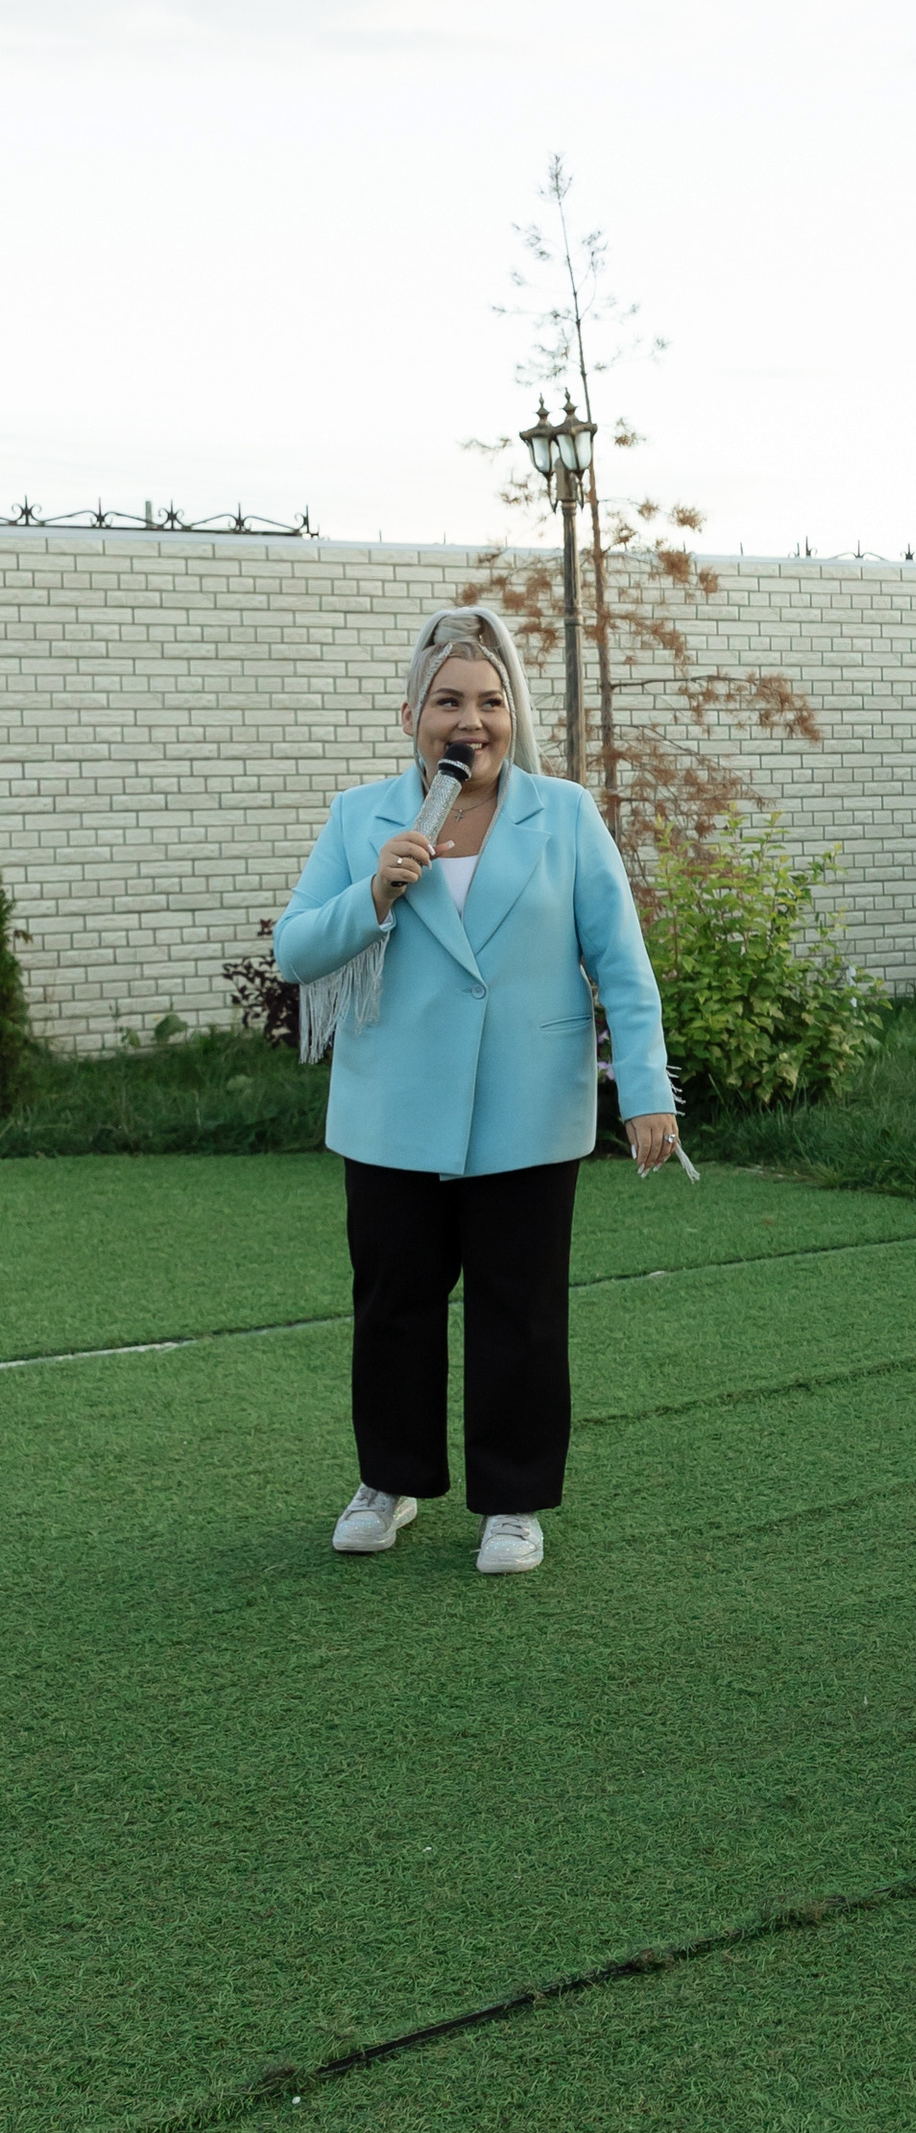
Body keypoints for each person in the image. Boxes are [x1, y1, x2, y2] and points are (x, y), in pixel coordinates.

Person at [274, 605, 679, 1578]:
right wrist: (370, 896)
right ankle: (390, 1481)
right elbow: (295, 950)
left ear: (514, 711)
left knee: (521, 1309)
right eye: (448, 701)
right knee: (394, 1306)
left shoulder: (567, 816)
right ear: (410, 711)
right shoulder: (358, 819)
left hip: (528, 1108)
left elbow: (620, 966)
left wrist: (649, 1091)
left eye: (491, 702)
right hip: (390, 1110)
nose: (472, 723)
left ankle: (514, 1501)